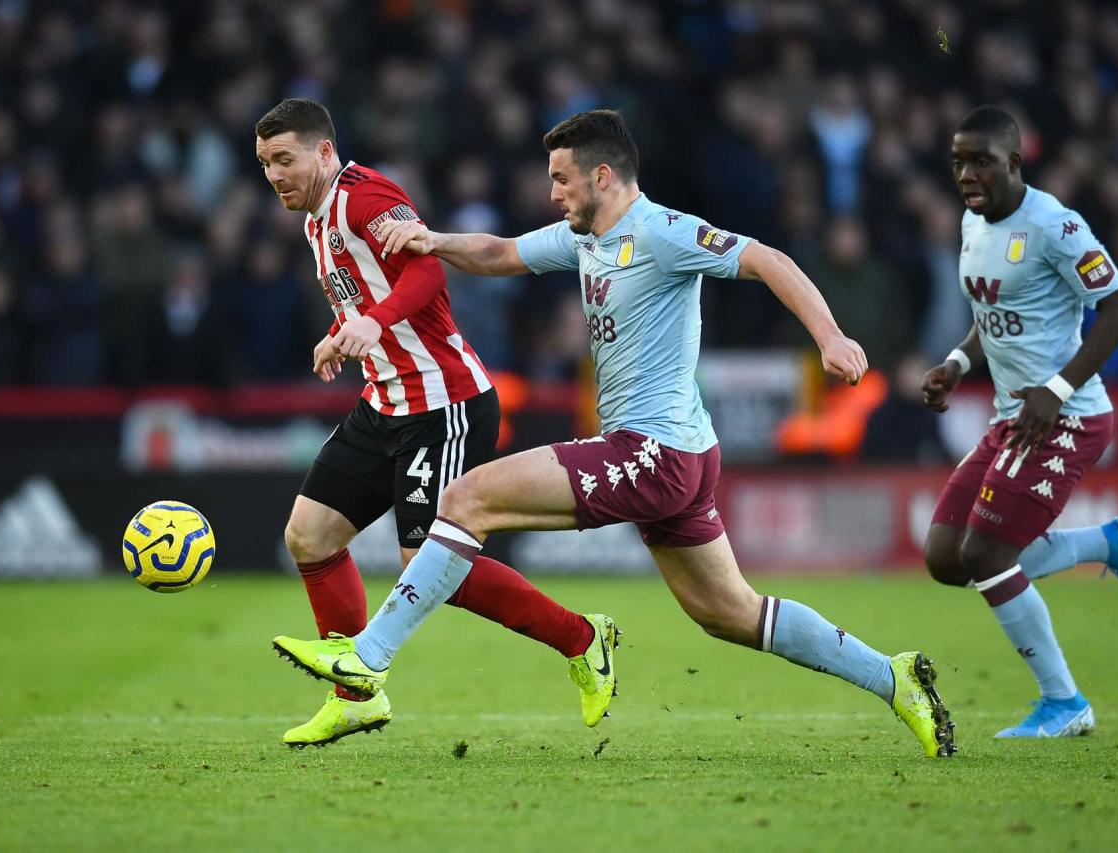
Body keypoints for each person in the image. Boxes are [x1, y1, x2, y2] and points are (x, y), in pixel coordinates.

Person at [273, 110, 957, 758]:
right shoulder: (584, 236)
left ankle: (368, 658)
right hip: (680, 455)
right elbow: (502, 253)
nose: (552, 192)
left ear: (604, 176)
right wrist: (435, 241)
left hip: (653, 450)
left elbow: (767, 258)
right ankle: (895, 677)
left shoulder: (662, 231)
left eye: (562, 178)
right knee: (731, 612)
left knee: (468, 499)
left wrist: (831, 336)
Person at [254, 98, 618, 747]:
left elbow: (424, 268)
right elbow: (372, 295)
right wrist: (343, 331)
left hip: (442, 403)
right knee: (309, 535)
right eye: (265, 164)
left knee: (427, 565)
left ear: (325, 153)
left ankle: (584, 639)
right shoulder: (316, 222)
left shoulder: (366, 196)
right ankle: (356, 696)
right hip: (384, 402)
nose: (275, 174)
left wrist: (372, 320)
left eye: (286, 159)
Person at [919, 106, 1118, 739]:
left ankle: (1065, 703)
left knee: (988, 552)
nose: (967, 174)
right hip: (1015, 419)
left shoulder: (1057, 226)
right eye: (957, 162)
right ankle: (1109, 543)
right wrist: (954, 361)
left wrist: (1056, 390)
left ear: (1014, 163)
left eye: (980, 161)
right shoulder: (972, 224)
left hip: (1068, 417)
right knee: (947, 556)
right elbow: (994, 312)